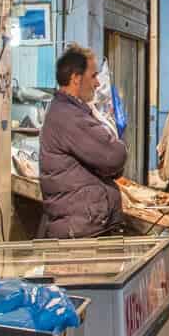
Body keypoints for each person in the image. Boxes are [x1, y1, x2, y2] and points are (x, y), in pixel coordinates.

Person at [39, 48, 128, 239]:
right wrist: (117, 151)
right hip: (80, 230)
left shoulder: (74, 112)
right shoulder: (69, 117)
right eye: (93, 75)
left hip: (85, 225)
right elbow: (114, 157)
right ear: (76, 78)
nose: (97, 83)